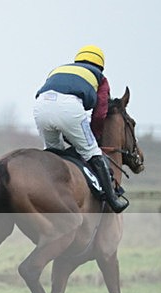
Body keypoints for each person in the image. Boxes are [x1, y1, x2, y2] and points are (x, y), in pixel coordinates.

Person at [34, 45, 128, 212]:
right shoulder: (101, 78)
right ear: (100, 65)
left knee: (54, 152)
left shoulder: (60, 69)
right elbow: (100, 113)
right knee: (93, 152)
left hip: (41, 105)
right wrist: (95, 136)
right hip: (69, 107)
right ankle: (113, 200)